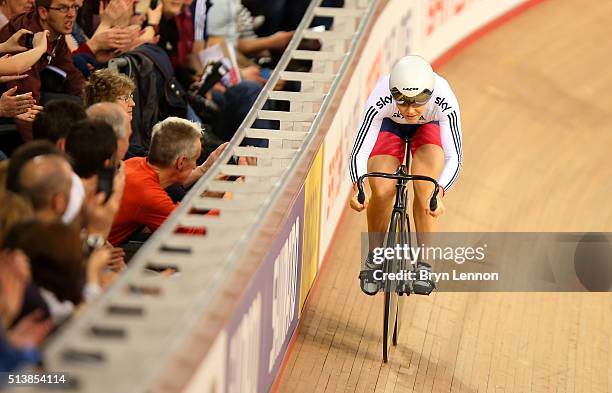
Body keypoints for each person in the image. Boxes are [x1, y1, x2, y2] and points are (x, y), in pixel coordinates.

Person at [349, 55, 463, 295]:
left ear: (430, 95)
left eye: (417, 103)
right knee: (382, 189)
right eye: (402, 102)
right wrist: (358, 186)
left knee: (426, 188)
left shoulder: (445, 100)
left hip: (427, 127)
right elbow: (360, 151)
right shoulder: (380, 97)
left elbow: (455, 157)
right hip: (390, 126)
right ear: (392, 94)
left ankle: (424, 265)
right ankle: (375, 258)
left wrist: (439, 193)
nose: (410, 111)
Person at [108, 117, 226, 246]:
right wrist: (231, 200)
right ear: (180, 162)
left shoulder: (136, 163)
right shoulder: (149, 195)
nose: (195, 166)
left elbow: (172, 212)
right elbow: (192, 233)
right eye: (195, 159)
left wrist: (205, 172)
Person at [0, 0, 86, 141]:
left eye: (74, 7)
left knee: (79, 102)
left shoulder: (55, 32)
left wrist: (98, 102)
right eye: (63, 8)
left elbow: (72, 75)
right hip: (8, 108)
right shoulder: (27, 36)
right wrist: (37, 153)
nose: (71, 14)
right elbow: (24, 96)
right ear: (43, 12)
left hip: (20, 98)